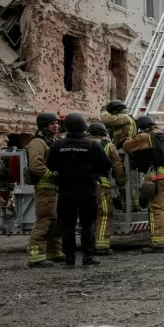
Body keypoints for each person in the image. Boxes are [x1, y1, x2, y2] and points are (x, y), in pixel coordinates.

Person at [46, 113, 111, 267]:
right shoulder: (93, 145)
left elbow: (50, 166)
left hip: (66, 192)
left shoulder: (58, 145)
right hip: (88, 191)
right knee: (88, 225)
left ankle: (69, 259)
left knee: (68, 226)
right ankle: (88, 258)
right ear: (84, 126)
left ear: (66, 126)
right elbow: (106, 166)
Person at [124, 116, 164, 253]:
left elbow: (127, 147)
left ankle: (159, 243)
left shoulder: (145, 137)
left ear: (141, 127)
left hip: (159, 177)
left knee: (156, 209)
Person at [26, 113, 65, 268]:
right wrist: (51, 175)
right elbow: (36, 165)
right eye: (51, 124)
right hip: (45, 186)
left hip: (56, 187)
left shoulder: (53, 140)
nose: (55, 126)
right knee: (45, 220)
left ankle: (54, 252)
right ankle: (36, 256)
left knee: (56, 221)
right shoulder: (37, 142)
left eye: (56, 123)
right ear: (43, 126)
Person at [88, 122, 126, 256]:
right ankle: (102, 245)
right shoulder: (108, 146)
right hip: (100, 185)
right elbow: (117, 165)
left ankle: (88, 243)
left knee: (87, 215)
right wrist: (121, 182)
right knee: (104, 214)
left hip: (79, 185)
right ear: (103, 133)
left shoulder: (81, 144)